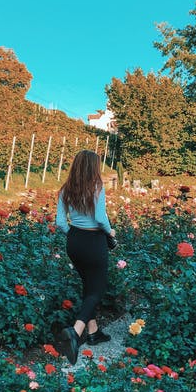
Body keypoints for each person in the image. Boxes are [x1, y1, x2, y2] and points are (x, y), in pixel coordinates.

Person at [54, 150, 116, 364]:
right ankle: (75, 331)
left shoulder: (66, 190)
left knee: (88, 286)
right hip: (93, 241)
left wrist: (73, 235)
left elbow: (61, 222)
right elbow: (100, 218)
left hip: (74, 241)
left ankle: (93, 332)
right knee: (97, 290)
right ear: (93, 167)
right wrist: (110, 232)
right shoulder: (97, 187)